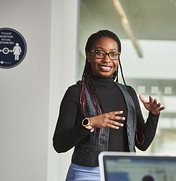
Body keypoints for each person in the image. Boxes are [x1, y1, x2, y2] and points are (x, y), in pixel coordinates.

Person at [53, 30, 165, 181]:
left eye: (113, 54)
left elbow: (142, 143)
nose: (107, 59)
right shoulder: (75, 92)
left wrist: (153, 115)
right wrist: (90, 123)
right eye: (100, 53)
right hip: (87, 173)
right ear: (88, 55)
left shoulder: (128, 93)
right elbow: (59, 144)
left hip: (124, 173)